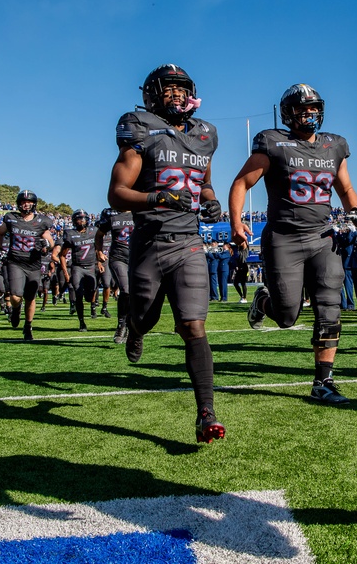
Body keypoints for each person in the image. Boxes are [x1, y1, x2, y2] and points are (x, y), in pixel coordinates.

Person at [108, 63, 225, 443]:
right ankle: (133, 325)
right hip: (149, 242)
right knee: (146, 317)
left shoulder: (206, 134)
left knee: (193, 326)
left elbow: (204, 184)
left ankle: (205, 412)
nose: (176, 94)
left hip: (189, 243)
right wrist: (155, 196)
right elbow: (117, 194)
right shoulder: (141, 127)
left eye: (181, 88)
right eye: (168, 88)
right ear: (150, 93)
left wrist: (210, 201)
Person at [230, 83, 357, 405]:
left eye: (314, 108)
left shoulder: (335, 145)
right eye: (302, 109)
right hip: (284, 238)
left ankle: (323, 381)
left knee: (329, 307)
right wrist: (235, 221)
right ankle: (263, 302)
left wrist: (354, 213)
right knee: (287, 316)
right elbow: (241, 182)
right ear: (288, 114)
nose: (309, 114)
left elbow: (345, 189)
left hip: (322, 237)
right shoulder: (274, 143)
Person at [0, 190, 55, 341]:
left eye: (29, 202)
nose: (26, 205)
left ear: (34, 204)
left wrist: (46, 245)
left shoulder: (41, 222)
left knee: (30, 298)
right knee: (15, 296)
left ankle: (28, 326)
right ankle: (16, 309)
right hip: (16, 262)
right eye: (23, 202)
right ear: (19, 204)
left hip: (33, 264)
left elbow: (50, 242)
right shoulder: (12, 218)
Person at [95, 207, 134, 343]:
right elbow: (99, 234)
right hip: (118, 258)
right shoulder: (114, 217)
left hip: (139, 259)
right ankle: (121, 325)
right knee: (126, 289)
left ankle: (131, 324)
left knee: (139, 293)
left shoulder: (142, 214)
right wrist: (99, 252)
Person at [55, 209, 97, 332]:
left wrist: (100, 260)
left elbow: (100, 245)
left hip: (90, 267)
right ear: (74, 221)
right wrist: (65, 272)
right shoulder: (70, 234)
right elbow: (62, 255)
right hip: (77, 267)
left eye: (83, 218)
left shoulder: (94, 231)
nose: (82, 221)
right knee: (78, 295)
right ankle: (82, 322)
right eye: (79, 219)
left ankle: (91, 306)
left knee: (90, 297)